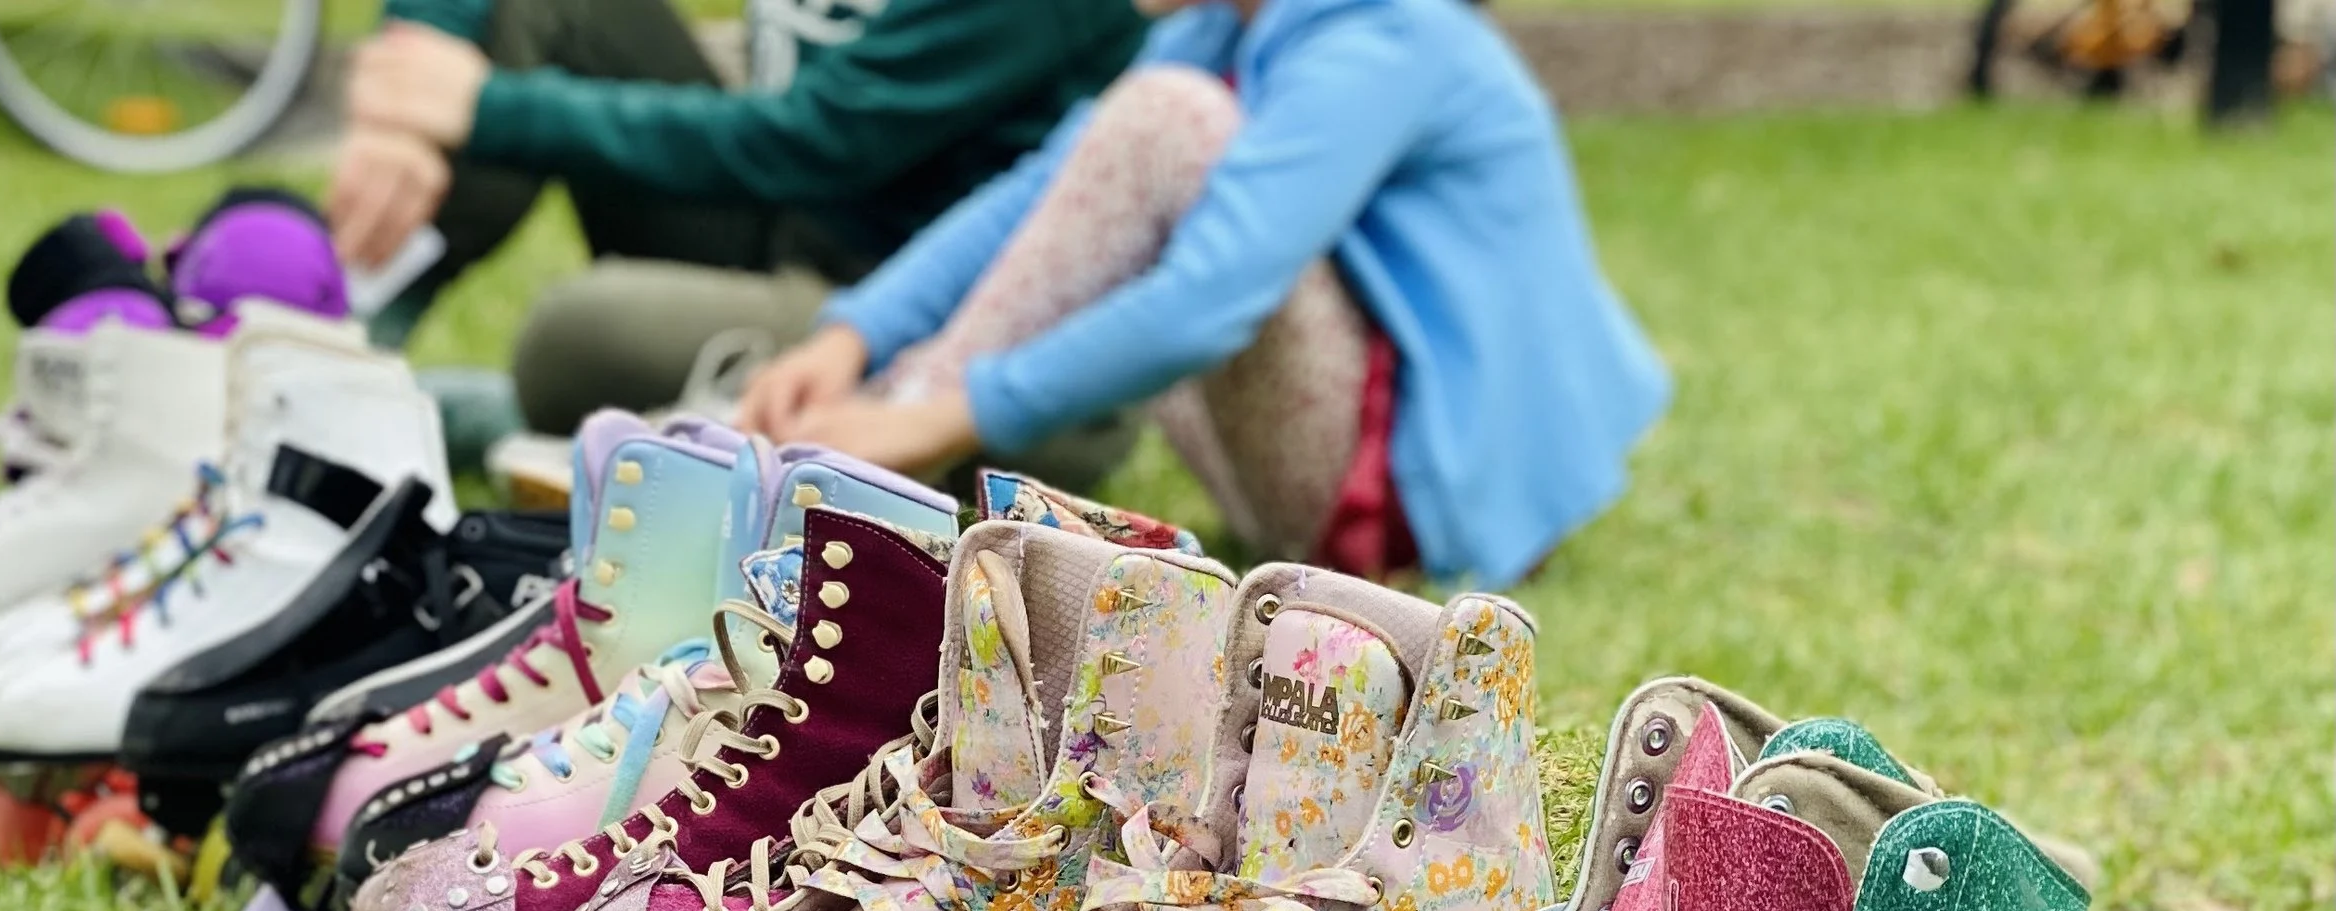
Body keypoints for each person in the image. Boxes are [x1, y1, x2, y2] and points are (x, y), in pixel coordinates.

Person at [739, 0, 1670, 585]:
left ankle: (869, 459)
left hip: (1421, 518)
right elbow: (1042, 195)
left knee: (1168, 123)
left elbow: (1208, 303)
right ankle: (864, 432)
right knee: (1139, 134)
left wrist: (949, 412)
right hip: (1328, 472)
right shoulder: (1224, 29)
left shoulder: (1391, 32)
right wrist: (851, 336)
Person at [328, 0, 1148, 436]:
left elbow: (818, 141)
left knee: (572, 337)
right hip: (785, 219)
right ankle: (333, 350)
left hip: (913, 312)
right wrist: (411, 88)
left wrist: (484, 106)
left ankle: (485, 414)